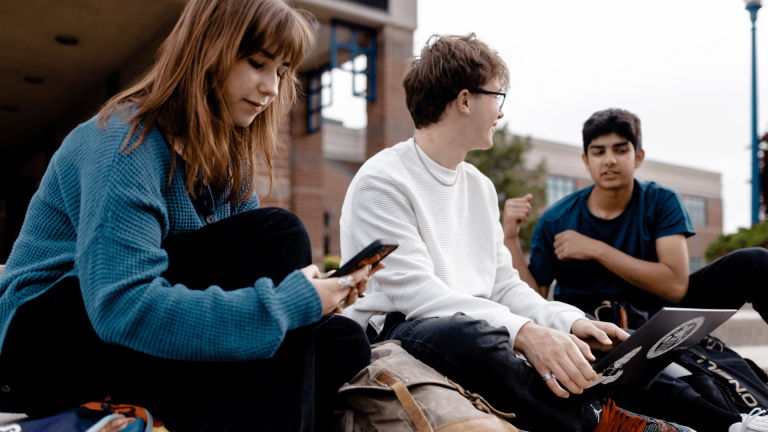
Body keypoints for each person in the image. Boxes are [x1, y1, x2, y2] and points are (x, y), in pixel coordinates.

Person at [0, 1, 376, 430]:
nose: (272, 88)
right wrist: (288, 303)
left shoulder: (231, 165)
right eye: (257, 63)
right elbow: (121, 307)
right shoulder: (124, 140)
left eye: (283, 70)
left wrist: (314, 300)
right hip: (41, 342)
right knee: (279, 232)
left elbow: (243, 283)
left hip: (134, 343)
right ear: (208, 53)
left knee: (342, 343)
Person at [339, 34, 693, 432]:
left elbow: (504, 287)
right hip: (404, 331)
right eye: (498, 97)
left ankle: (726, 422)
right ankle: (596, 421)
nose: (501, 113)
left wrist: (566, 322)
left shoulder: (478, 185)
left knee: (605, 346)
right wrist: (524, 332)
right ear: (466, 100)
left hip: (477, 330)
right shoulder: (382, 181)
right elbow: (420, 297)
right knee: (464, 333)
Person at [503, 108, 768, 325]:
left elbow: (676, 287)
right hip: (593, 321)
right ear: (586, 160)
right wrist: (510, 238)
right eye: (599, 152)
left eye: (620, 150)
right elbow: (534, 299)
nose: (609, 160)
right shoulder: (556, 219)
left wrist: (597, 249)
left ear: (638, 157)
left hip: (660, 315)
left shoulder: (662, 201)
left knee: (754, 262)